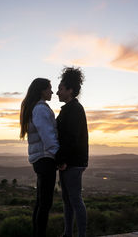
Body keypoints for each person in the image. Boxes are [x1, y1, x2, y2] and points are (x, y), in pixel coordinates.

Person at [20, 78, 59, 237]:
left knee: (41, 201)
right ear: (42, 90)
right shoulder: (41, 109)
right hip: (45, 158)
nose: (52, 92)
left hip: (40, 158)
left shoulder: (34, 108)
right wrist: (58, 155)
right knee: (45, 203)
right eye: (49, 88)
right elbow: (47, 135)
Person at [56, 67, 88, 237]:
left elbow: (71, 139)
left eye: (60, 89)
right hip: (69, 162)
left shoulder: (74, 109)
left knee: (75, 200)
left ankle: (81, 235)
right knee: (68, 201)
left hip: (73, 163)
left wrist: (63, 160)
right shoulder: (68, 109)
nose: (57, 92)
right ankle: (68, 233)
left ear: (70, 90)